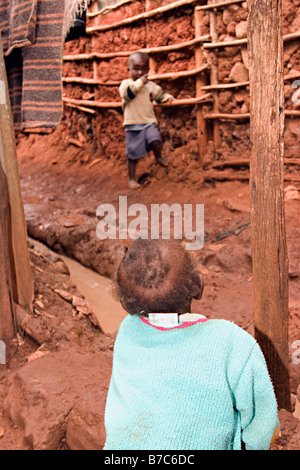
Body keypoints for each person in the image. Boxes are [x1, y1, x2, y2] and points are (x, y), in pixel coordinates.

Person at [103, 238, 279, 451]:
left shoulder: (127, 331)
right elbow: (262, 423)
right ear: (197, 286)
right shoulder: (232, 341)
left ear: (125, 304)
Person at [119, 51, 175, 189]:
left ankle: (158, 157)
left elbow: (159, 95)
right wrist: (140, 83)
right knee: (132, 154)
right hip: (132, 125)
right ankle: (132, 179)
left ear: (148, 70)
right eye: (136, 69)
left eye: (143, 69)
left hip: (148, 122)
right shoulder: (126, 84)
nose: (140, 73)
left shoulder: (150, 86)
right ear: (129, 70)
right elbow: (128, 95)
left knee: (156, 140)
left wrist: (168, 98)